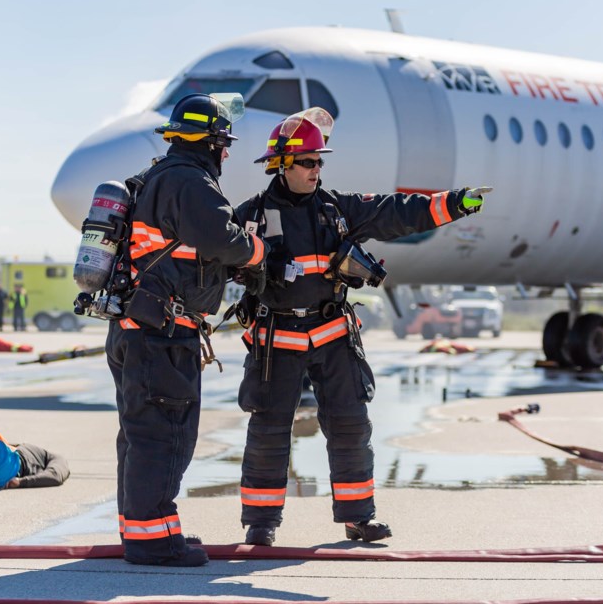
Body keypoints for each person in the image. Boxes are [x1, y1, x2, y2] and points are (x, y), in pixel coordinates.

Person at [234, 108, 486, 547]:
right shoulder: (249, 217)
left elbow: (397, 212)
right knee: (269, 429)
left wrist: (454, 203)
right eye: (308, 162)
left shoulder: (338, 210)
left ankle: (358, 517)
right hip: (277, 338)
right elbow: (209, 260)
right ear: (280, 164)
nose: (317, 169)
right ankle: (261, 524)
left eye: (320, 161)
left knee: (351, 425)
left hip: (332, 334)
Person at [104, 93, 265, 567]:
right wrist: (258, 252)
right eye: (224, 143)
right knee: (165, 435)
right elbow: (224, 239)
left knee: (139, 435)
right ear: (211, 142)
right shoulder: (190, 181)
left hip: (136, 328)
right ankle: (152, 541)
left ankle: (145, 529)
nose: (227, 153)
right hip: (161, 335)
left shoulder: (156, 176)